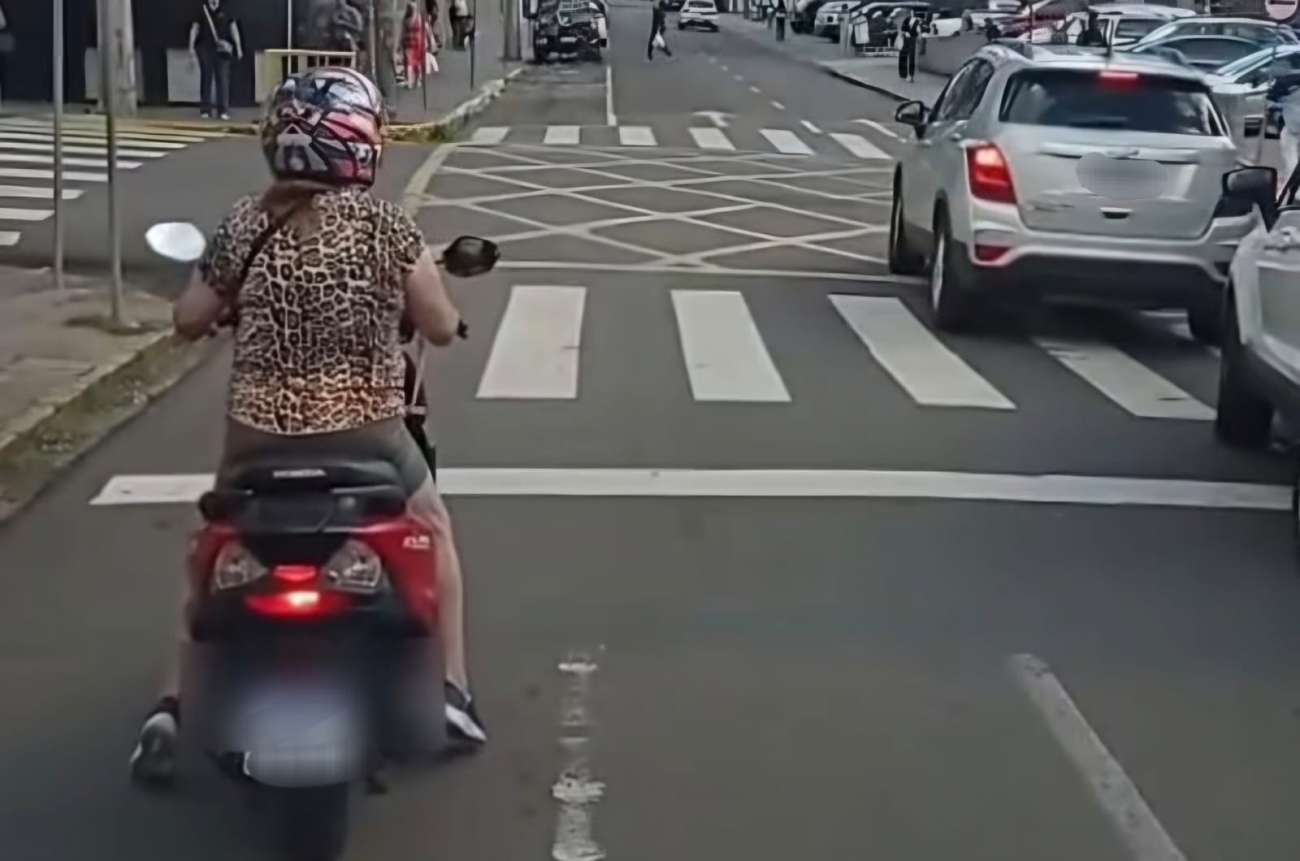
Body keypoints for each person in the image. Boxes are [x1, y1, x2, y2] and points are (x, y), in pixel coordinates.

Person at [128, 66, 487, 787]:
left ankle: (169, 706)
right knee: (437, 528)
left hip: (254, 444)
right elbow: (442, 327)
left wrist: (230, 300)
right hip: (370, 442)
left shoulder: (243, 222)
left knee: (207, 550)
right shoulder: (388, 226)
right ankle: (451, 693)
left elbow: (186, 319)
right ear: (364, 144)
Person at [189, 0, 243, 120]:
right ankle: (205, 110)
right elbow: (195, 28)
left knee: (223, 80)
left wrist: (238, 47)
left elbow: (233, 28)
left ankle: (222, 110)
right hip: (205, 49)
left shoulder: (227, 10)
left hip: (222, 50)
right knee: (206, 79)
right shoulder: (201, 10)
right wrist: (191, 47)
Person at [1269, 68, 1300, 192]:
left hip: (1291, 128)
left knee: (1291, 161)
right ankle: (1293, 188)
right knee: (1291, 160)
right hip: (1291, 129)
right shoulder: (1288, 82)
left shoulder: (1287, 83)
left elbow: (1271, 100)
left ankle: (1292, 188)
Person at [898, 10, 921, 83]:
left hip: (912, 40)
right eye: (910, 11)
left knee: (911, 57)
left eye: (912, 11)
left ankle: (911, 76)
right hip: (906, 39)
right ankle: (903, 74)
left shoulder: (918, 21)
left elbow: (919, 31)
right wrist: (905, 33)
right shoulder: (907, 19)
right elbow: (902, 29)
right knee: (903, 55)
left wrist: (918, 36)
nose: (911, 13)